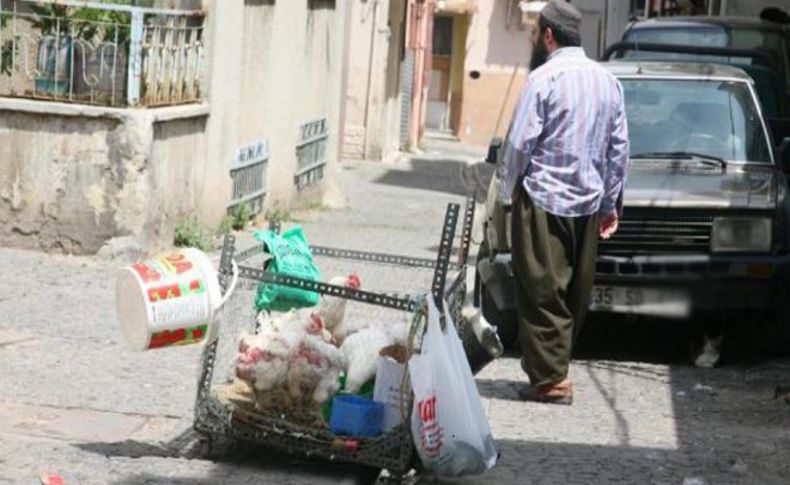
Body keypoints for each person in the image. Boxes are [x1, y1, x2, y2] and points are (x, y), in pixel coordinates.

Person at [501, 0, 629, 405]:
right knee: (573, 291)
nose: (535, 39)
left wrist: (508, 191)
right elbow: (618, 149)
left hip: (542, 199)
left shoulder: (544, 78)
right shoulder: (608, 82)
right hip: (588, 205)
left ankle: (551, 380)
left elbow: (520, 144)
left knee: (541, 291)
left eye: (537, 32)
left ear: (550, 35)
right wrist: (611, 203)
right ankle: (552, 371)